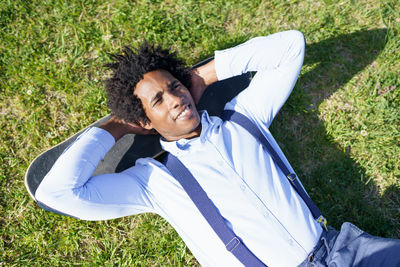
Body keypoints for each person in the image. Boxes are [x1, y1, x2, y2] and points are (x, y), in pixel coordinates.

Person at [35, 30, 400, 266]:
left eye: (175, 86)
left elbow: (290, 46)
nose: (176, 100)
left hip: (346, 251)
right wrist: (115, 126)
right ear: (143, 121)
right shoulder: (153, 183)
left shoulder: (244, 118)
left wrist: (201, 77)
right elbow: (57, 193)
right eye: (158, 101)